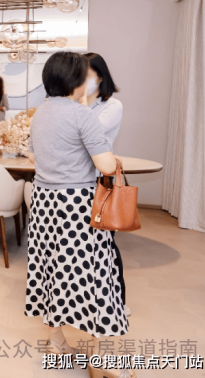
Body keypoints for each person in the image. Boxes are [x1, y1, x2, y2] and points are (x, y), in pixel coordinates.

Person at [25, 52, 129, 378]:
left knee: (50, 269)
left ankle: (56, 343)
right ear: (75, 81)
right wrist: (111, 159)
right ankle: (102, 360)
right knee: (96, 276)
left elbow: (33, 155)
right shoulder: (81, 114)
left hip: (43, 203)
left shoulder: (40, 113)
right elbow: (106, 165)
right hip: (78, 206)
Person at [85, 52, 128, 317]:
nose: (80, 80)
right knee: (85, 245)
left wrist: (78, 105)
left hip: (100, 181)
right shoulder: (76, 104)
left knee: (105, 244)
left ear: (100, 77)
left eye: (86, 75)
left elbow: (89, 135)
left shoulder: (112, 105)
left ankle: (118, 300)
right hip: (78, 182)